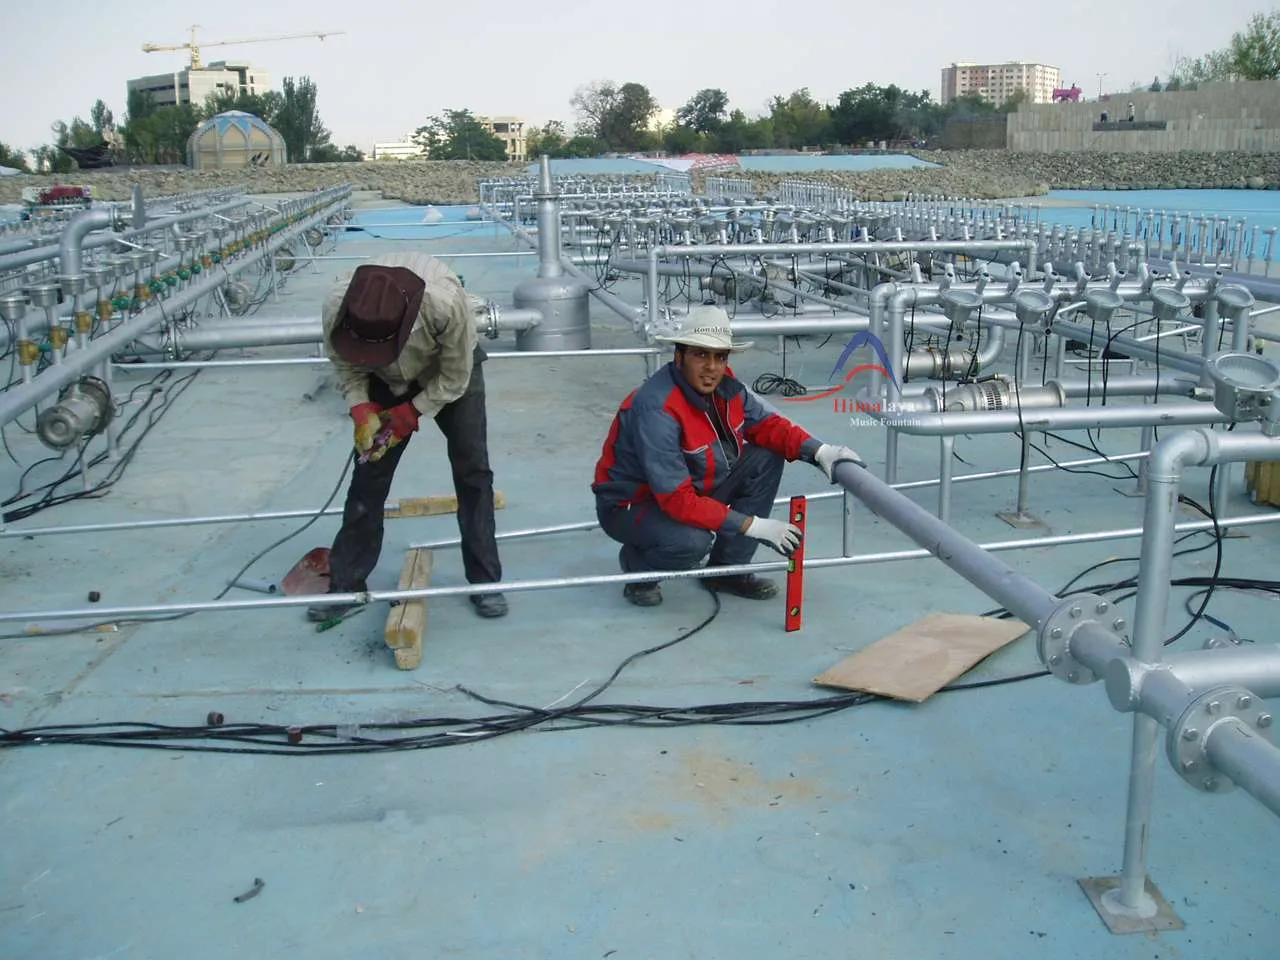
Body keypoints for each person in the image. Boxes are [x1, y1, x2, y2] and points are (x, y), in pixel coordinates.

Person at [592, 305, 864, 607]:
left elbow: (766, 425)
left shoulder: (726, 387)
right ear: (679, 356)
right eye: (701, 354)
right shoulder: (657, 410)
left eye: (720, 356)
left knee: (765, 455)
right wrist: (752, 525)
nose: (712, 367)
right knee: (691, 542)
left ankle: (725, 571)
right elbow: (676, 500)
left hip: (691, 485)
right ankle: (638, 568)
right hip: (632, 505)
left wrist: (818, 450)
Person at [306, 252, 508, 622]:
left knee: (473, 471)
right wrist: (360, 406)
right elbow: (344, 364)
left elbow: (455, 377)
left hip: (446, 371)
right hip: (381, 379)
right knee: (368, 474)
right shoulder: (338, 302)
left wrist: (412, 411)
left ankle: (484, 582)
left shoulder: (445, 303)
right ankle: (346, 584)